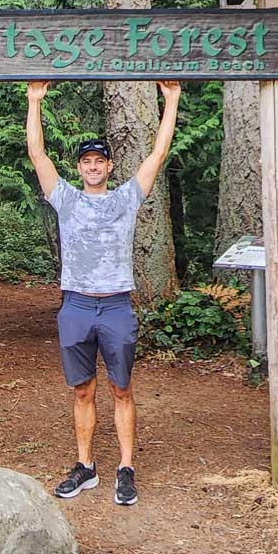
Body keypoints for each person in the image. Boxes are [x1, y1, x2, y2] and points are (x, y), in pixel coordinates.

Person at [25, 80, 181, 506]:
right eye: (87, 161)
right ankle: (86, 466)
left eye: (100, 161)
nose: (93, 167)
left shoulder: (126, 199)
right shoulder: (66, 200)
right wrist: (34, 101)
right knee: (82, 390)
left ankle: (126, 468)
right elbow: (37, 155)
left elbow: (157, 155)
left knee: (122, 389)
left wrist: (172, 101)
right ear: (79, 168)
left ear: (110, 167)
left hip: (115, 306)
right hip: (75, 305)